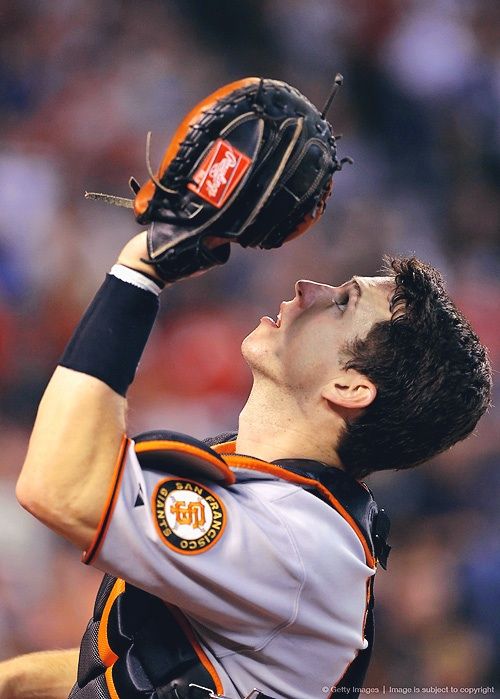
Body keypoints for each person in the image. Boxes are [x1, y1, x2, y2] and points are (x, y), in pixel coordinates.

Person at [0, 231, 491, 699]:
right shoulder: (271, 495)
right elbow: (144, 660)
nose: (307, 288)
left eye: (342, 303)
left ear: (349, 387)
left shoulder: (298, 541)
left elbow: (59, 489)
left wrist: (141, 270)